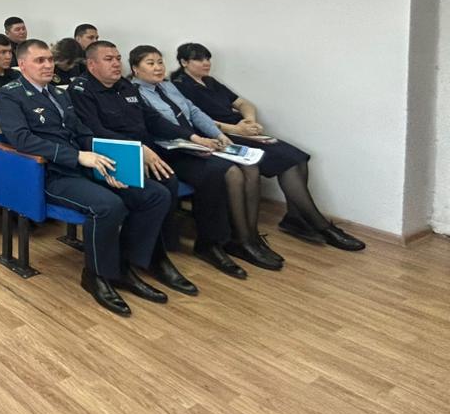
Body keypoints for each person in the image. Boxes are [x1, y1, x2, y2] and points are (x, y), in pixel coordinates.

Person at [0, 40, 173, 316]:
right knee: (108, 206)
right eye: (40, 60)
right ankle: (96, 275)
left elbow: (81, 132)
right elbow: (22, 140)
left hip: (83, 164)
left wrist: (106, 161)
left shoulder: (59, 93)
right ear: (23, 65)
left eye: (50, 59)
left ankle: (124, 265)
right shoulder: (10, 95)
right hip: (48, 172)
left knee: (155, 195)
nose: (48, 65)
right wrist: (78, 157)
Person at [68, 42, 233, 283]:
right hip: (113, 156)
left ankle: (157, 251)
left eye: (118, 58)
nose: (116, 63)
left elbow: (153, 119)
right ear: (92, 65)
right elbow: (95, 132)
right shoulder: (81, 90)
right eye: (108, 59)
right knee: (160, 188)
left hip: (143, 151)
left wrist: (193, 137)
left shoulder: (124, 86)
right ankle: (150, 256)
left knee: (169, 178)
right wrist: (137, 150)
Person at [172, 43, 363, 251]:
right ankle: (320, 225)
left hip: (241, 130)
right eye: (199, 59)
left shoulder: (210, 81)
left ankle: (295, 218)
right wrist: (237, 129)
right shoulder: (180, 86)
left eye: (207, 58)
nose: (206, 63)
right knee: (286, 161)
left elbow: (243, 104)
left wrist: (249, 121)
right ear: (184, 62)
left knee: (297, 158)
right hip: (222, 135)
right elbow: (196, 120)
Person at [129, 46, 284, 271]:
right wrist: (197, 140)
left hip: (196, 143)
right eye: (150, 63)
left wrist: (218, 135)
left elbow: (194, 112)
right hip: (170, 151)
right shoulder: (134, 93)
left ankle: (248, 236)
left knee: (250, 167)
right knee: (228, 172)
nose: (158, 67)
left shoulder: (168, 86)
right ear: (135, 69)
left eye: (160, 62)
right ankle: (214, 242)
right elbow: (158, 127)